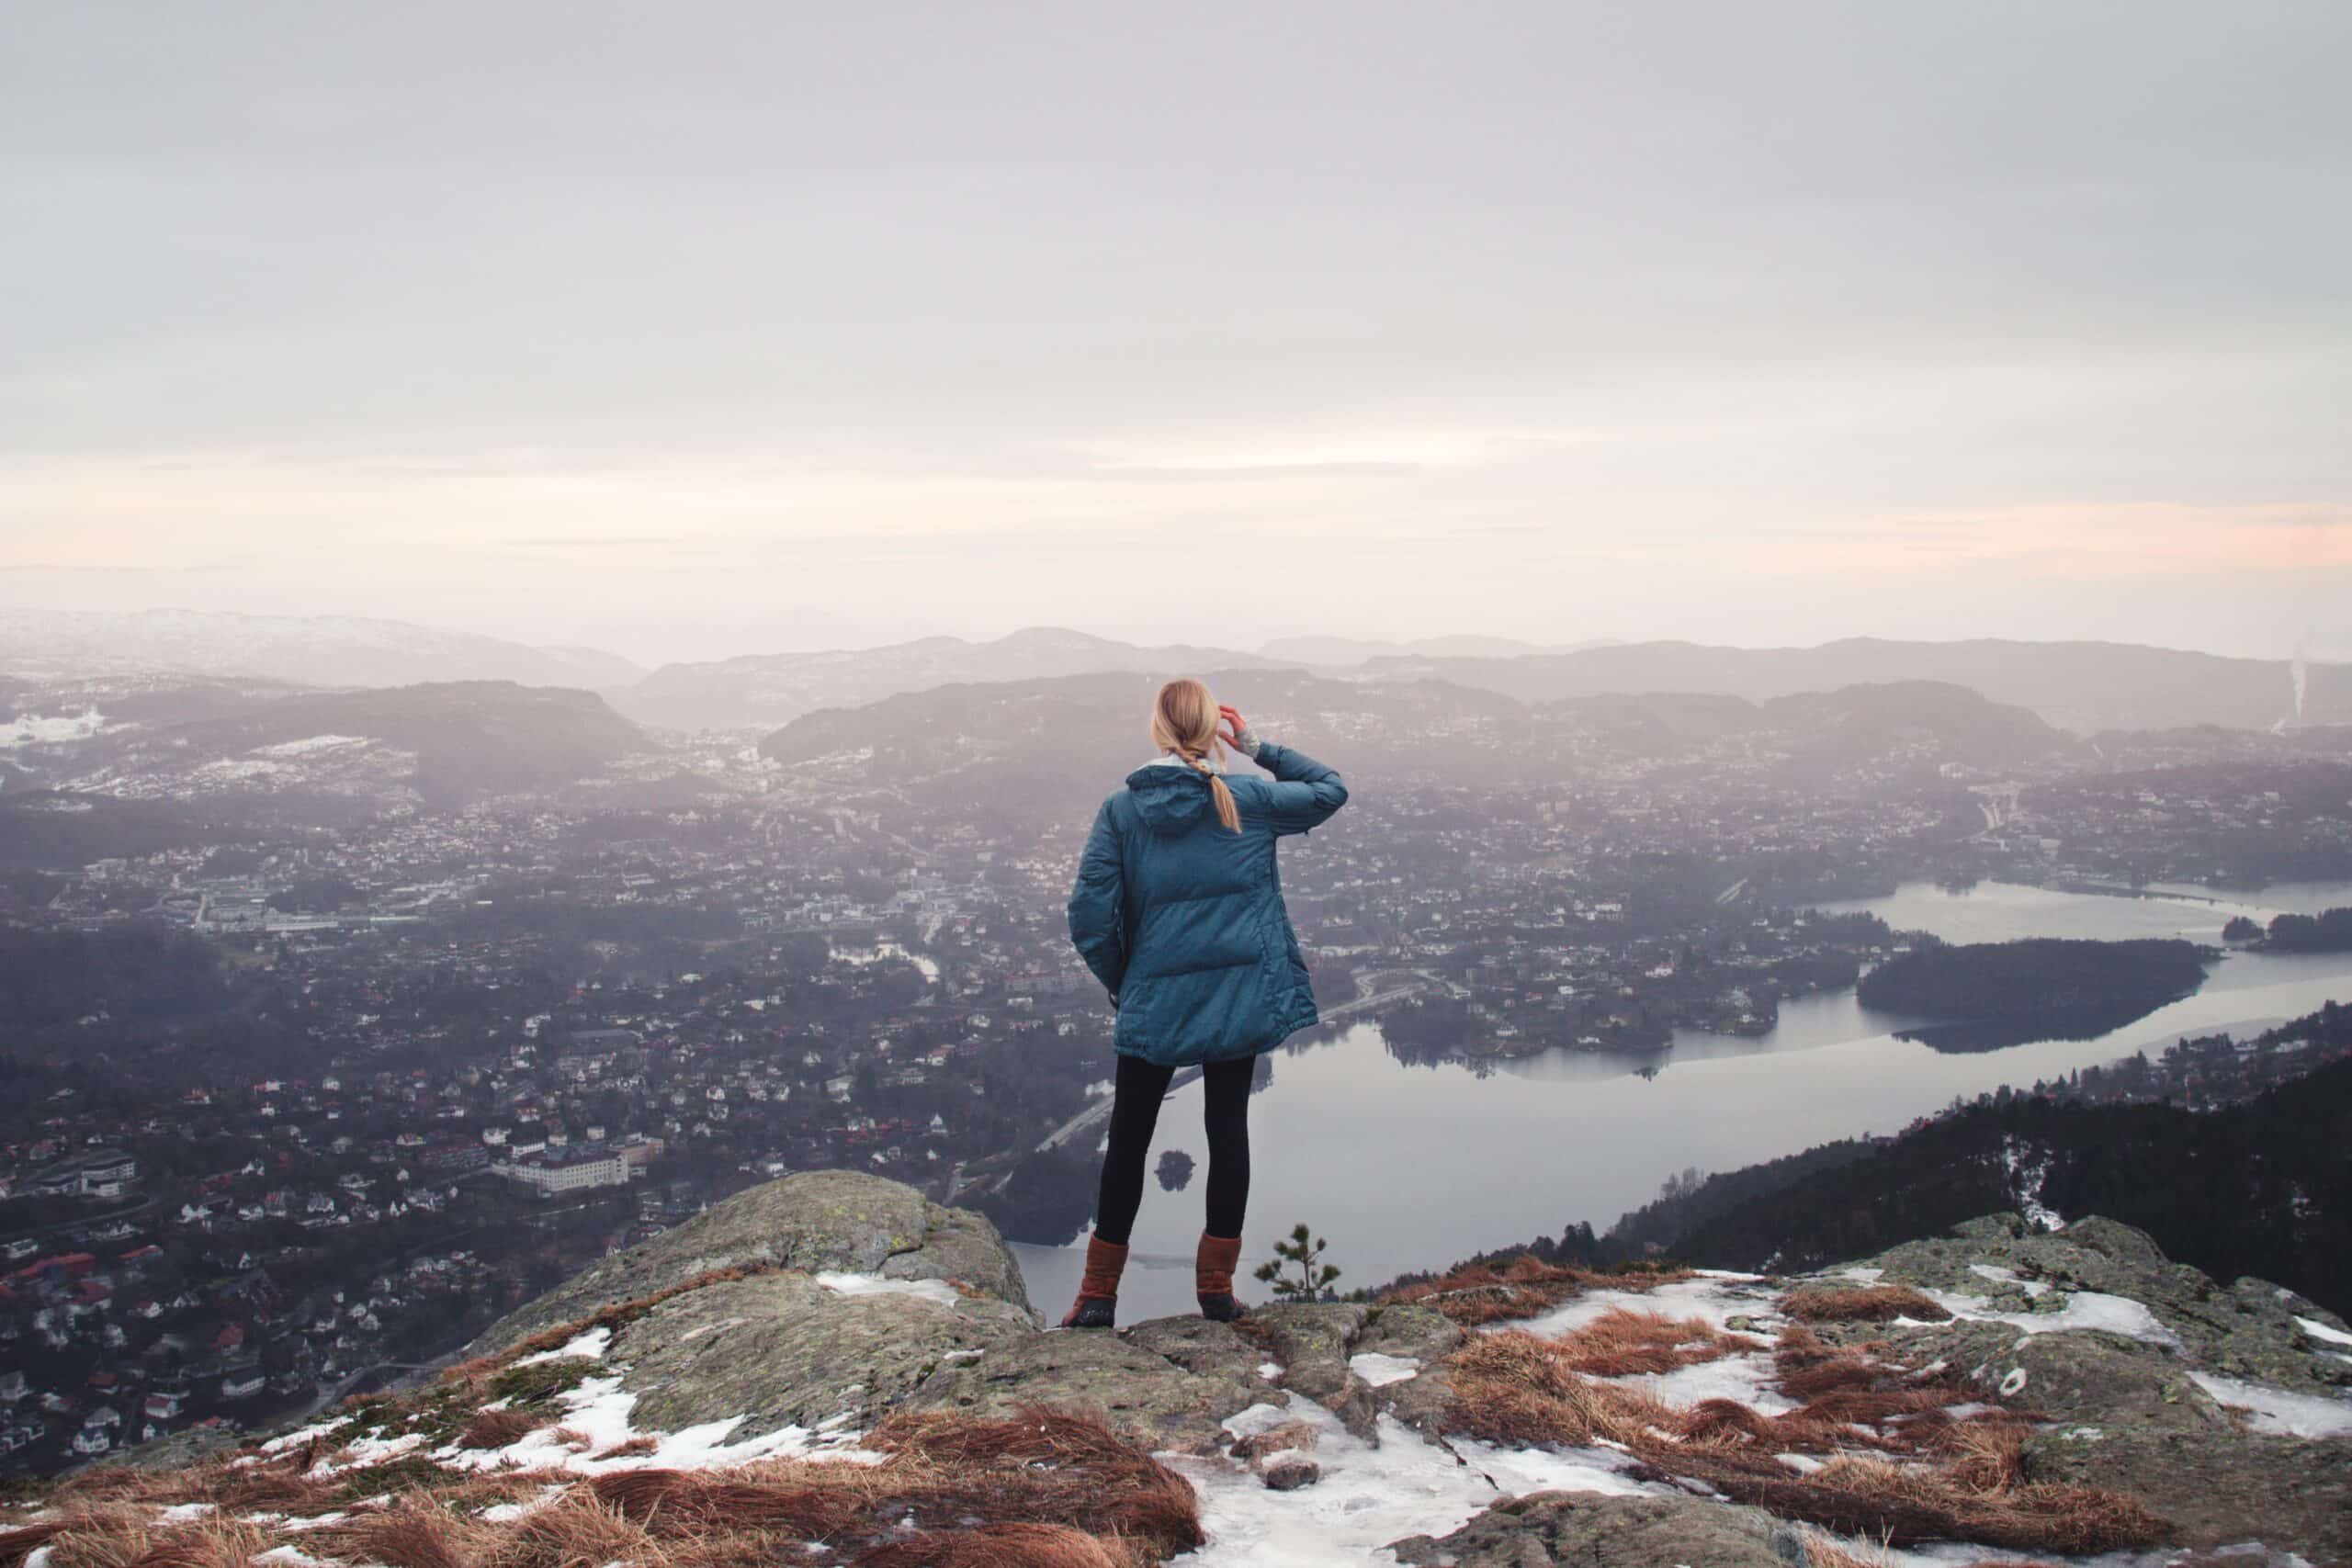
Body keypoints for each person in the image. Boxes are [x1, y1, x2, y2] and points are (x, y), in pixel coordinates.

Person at [1061, 678, 1350, 1327]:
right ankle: (1216, 1290)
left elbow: (1088, 916)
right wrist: (1256, 745)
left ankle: (1097, 1295)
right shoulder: (1245, 796)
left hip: (1154, 999)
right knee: (1228, 1133)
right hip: (1236, 998)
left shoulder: (1123, 810)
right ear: (1209, 731)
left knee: (1129, 1140)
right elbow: (1331, 788)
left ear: (1160, 731)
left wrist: (1125, 978)